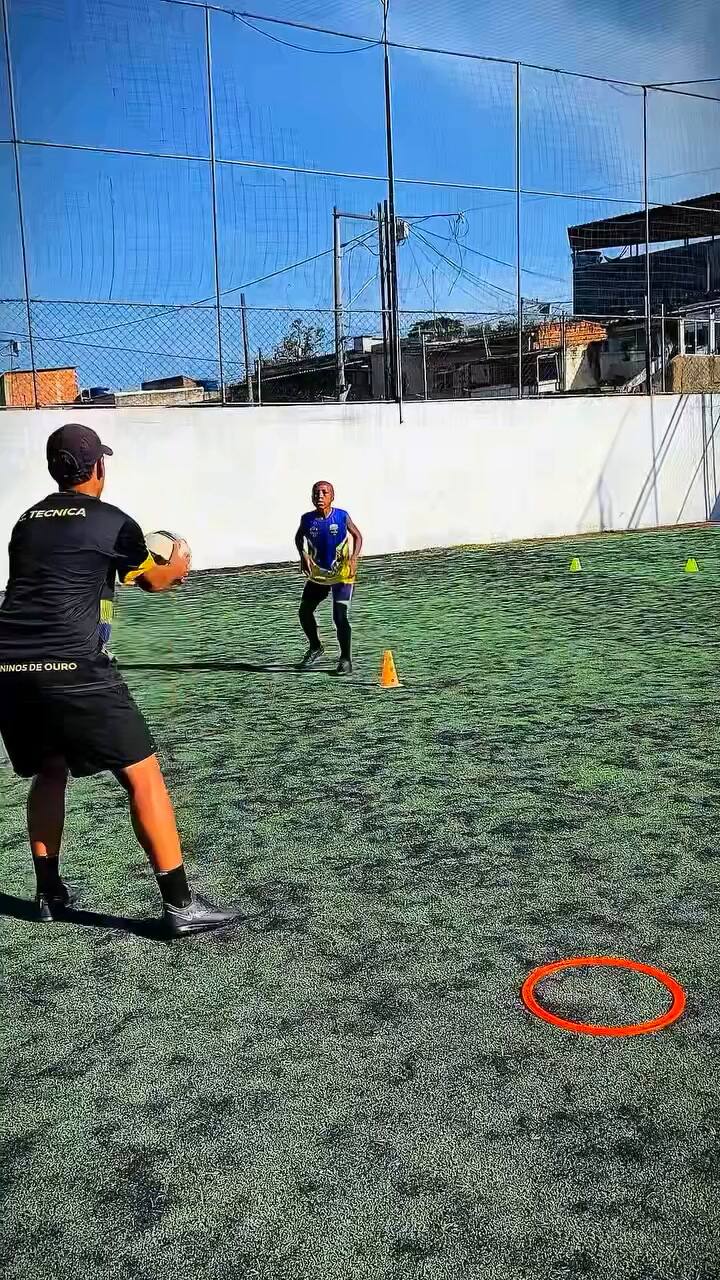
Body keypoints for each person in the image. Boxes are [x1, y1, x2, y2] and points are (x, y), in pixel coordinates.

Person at [0, 423, 239, 936]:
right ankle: (180, 905)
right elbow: (153, 579)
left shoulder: (26, 522)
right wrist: (177, 564)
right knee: (142, 774)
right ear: (99, 468)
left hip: (11, 667)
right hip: (74, 666)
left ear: (52, 469)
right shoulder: (112, 521)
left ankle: (48, 893)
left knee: (49, 770)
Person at [294, 481, 363, 675]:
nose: (320, 496)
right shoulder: (307, 519)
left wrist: (354, 558)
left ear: (332, 496)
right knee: (304, 612)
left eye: (325, 492)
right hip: (319, 575)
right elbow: (299, 538)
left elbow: (358, 536)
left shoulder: (342, 516)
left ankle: (345, 659)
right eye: (316, 493)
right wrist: (303, 555)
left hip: (342, 574)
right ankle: (316, 647)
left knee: (339, 617)